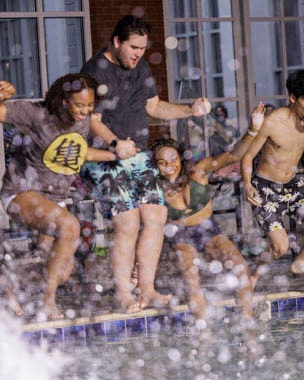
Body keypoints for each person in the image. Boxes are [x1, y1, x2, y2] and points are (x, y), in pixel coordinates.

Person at [80, 15, 211, 312]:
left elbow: (154, 107)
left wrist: (189, 110)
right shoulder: (95, 71)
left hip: (138, 156)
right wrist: (116, 144)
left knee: (156, 217)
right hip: (106, 159)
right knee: (128, 223)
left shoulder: (140, 66)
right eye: (133, 47)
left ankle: (148, 289)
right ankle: (124, 293)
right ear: (117, 42)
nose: (138, 54)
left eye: (142, 48)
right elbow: (92, 120)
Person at [0, 74, 117, 320]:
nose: (84, 112)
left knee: (60, 270)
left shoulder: (82, 122)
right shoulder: (36, 115)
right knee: (70, 227)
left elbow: (79, 153)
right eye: (79, 105)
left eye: (89, 106)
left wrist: (116, 153)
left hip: (56, 198)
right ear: (64, 101)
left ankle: (7, 281)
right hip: (22, 191)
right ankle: (48, 302)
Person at [149, 103, 265, 326]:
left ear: (180, 159)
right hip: (180, 237)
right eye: (162, 163)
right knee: (192, 280)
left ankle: (247, 328)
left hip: (209, 230)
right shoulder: (156, 189)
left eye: (173, 160)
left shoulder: (199, 172)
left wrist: (253, 129)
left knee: (240, 270)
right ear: (156, 166)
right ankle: (203, 336)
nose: (170, 166)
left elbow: (233, 156)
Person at [241, 70, 304, 287]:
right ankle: (253, 273)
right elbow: (247, 156)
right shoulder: (273, 122)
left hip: (293, 184)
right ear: (292, 98)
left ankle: (301, 263)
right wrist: (247, 185)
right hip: (266, 187)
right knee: (280, 248)